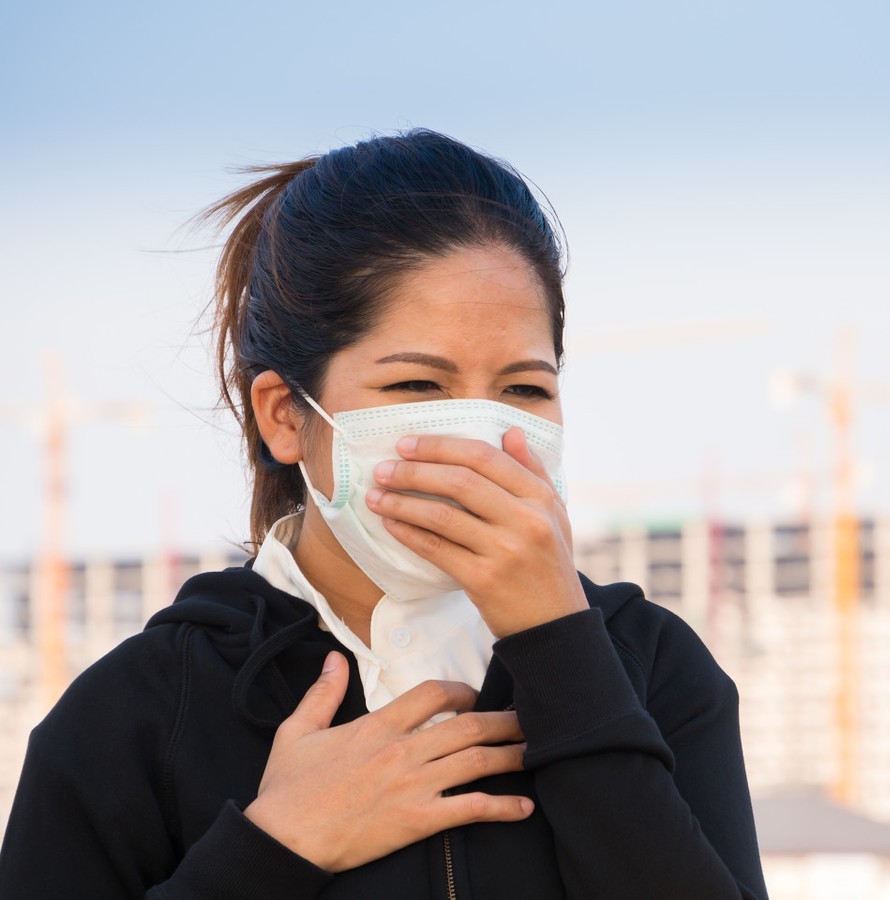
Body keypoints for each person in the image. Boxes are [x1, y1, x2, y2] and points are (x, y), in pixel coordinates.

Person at [0, 130, 767, 899]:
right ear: (285, 416)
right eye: (416, 387)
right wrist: (273, 848)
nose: (476, 438)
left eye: (524, 390)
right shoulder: (135, 714)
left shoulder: (653, 666)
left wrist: (564, 656)